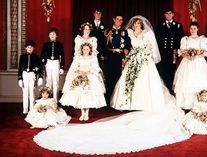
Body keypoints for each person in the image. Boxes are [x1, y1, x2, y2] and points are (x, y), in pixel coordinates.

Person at [33, 16, 191, 155]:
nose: (136, 25)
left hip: (144, 61)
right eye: (135, 24)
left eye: (138, 24)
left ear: (141, 26)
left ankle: (147, 103)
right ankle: (127, 104)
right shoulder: (127, 33)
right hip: (130, 59)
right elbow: (126, 44)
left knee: (146, 83)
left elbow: (150, 49)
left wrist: (141, 54)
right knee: (128, 83)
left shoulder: (147, 34)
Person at [173, 21, 207, 110]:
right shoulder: (185, 39)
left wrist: (196, 56)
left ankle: (200, 104)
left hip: (198, 63)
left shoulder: (202, 39)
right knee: (186, 81)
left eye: (194, 28)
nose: (192, 30)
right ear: (189, 29)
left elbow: (205, 52)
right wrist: (188, 56)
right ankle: (186, 105)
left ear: (197, 29)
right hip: (187, 63)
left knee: (198, 82)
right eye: (191, 29)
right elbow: (181, 52)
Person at [59, 42, 106, 121]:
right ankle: (82, 112)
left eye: (87, 49)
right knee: (80, 93)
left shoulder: (93, 58)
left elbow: (96, 68)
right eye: (84, 49)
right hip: (80, 74)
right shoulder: (78, 58)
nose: (86, 51)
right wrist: (80, 72)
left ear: (90, 50)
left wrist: (87, 73)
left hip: (89, 75)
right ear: (82, 50)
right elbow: (73, 67)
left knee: (87, 94)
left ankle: (86, 112)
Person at [156, 8, 184, 94]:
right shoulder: (160, 25)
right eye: (167, 13)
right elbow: (157, 40)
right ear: (164, 15)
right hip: (163, 53)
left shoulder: (178, 25)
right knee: (162, 72)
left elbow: (181, 40)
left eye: (170, 13)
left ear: (173, 14)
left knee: (171, 72)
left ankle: (170, 92)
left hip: (173, 53)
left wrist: (178, 51)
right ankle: (163, 92)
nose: (168, 15)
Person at [104, 13, 131, 102]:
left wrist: (126, 52)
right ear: (114, 19)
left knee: (117, 79)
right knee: (109, 79)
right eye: (118, 19)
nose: (119, 21)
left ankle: (115, 101)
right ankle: (108, 101)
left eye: (121, 20)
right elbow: (103, 45)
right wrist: (104, 56)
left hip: (119, 58)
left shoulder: (124, 32)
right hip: (109, 57)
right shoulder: (107, 30)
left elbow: (127, 44)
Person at [18, 40, 43, 114]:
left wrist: (40, 77)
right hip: (24, 74)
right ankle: (25, 110)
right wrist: (20, 78)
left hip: (32, 74)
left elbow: (40, 68)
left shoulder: (36, 57)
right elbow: (20, 68)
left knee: (31, 92)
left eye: (31, 47)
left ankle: (31, 109)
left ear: (33, 48)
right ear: (26, 48)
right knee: (25, 92)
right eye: (28, 47)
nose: (30, 48)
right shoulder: (22, 57)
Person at [41, 27, 65, 102]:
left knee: (56, 82)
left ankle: (55, 100)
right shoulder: (46, 44)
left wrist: (62, 67)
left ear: (56, 36)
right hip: (48, 62)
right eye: (50, 34)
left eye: (53, 34)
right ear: (48, 36)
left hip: (56, 62)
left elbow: (62, 56)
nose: (52, 36)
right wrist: (43, 63)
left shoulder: (60, 45)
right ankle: (48, 99)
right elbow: (42, 55)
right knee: (48, 82)